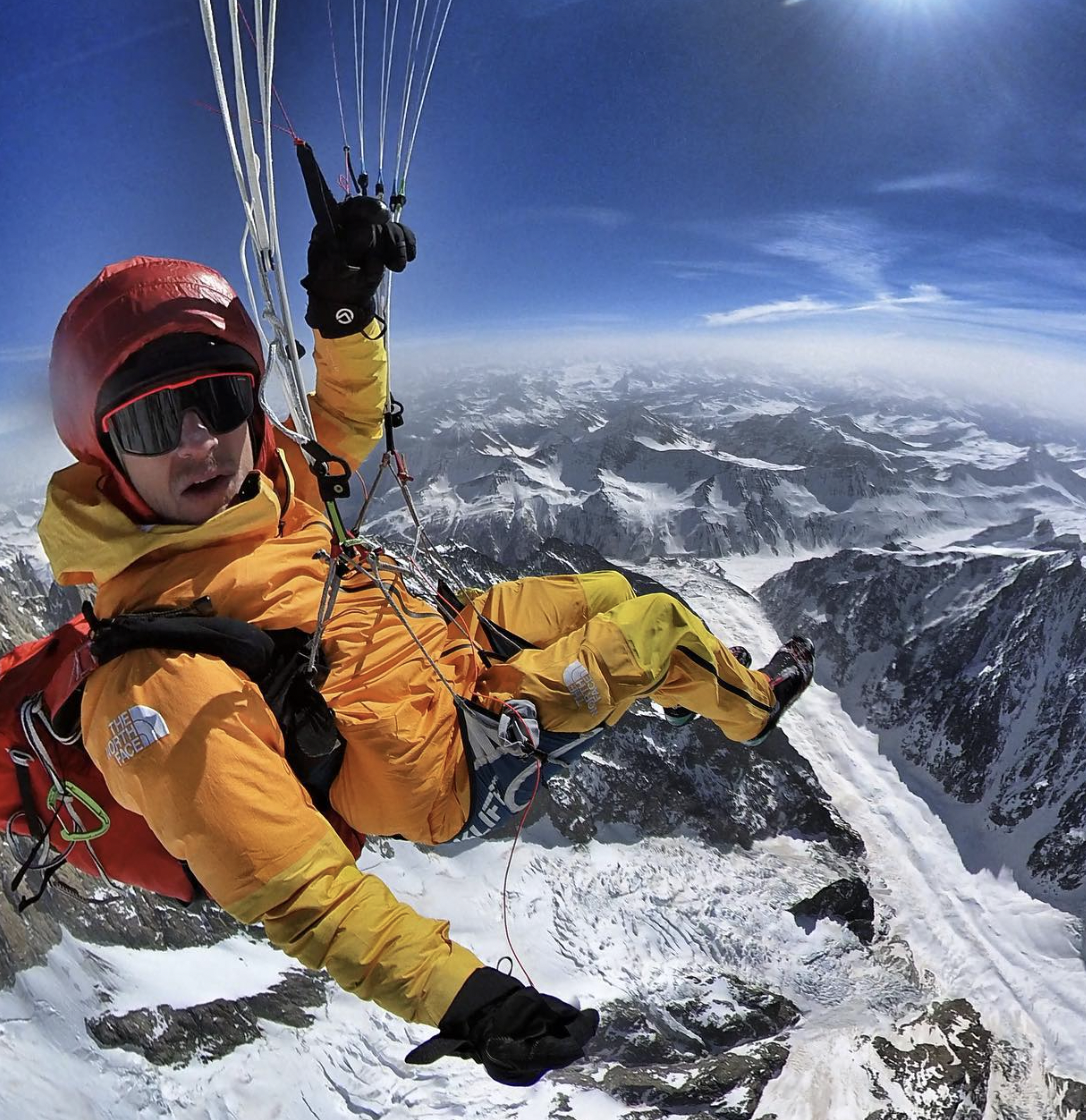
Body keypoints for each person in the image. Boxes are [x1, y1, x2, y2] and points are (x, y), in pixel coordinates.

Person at [36, 200, 816, 1087]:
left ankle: (699, 690)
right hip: (450, 757)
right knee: (657, 628)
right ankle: (749, 711)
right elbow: (297, 890)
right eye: (150, 422)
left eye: (220, 399)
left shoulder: (258, 478)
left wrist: (342, 313)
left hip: (438, 645)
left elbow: (343, 432)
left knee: (604, 591)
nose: (202, 442)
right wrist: (466, 1000)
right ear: (104, 456)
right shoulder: (150, 686)